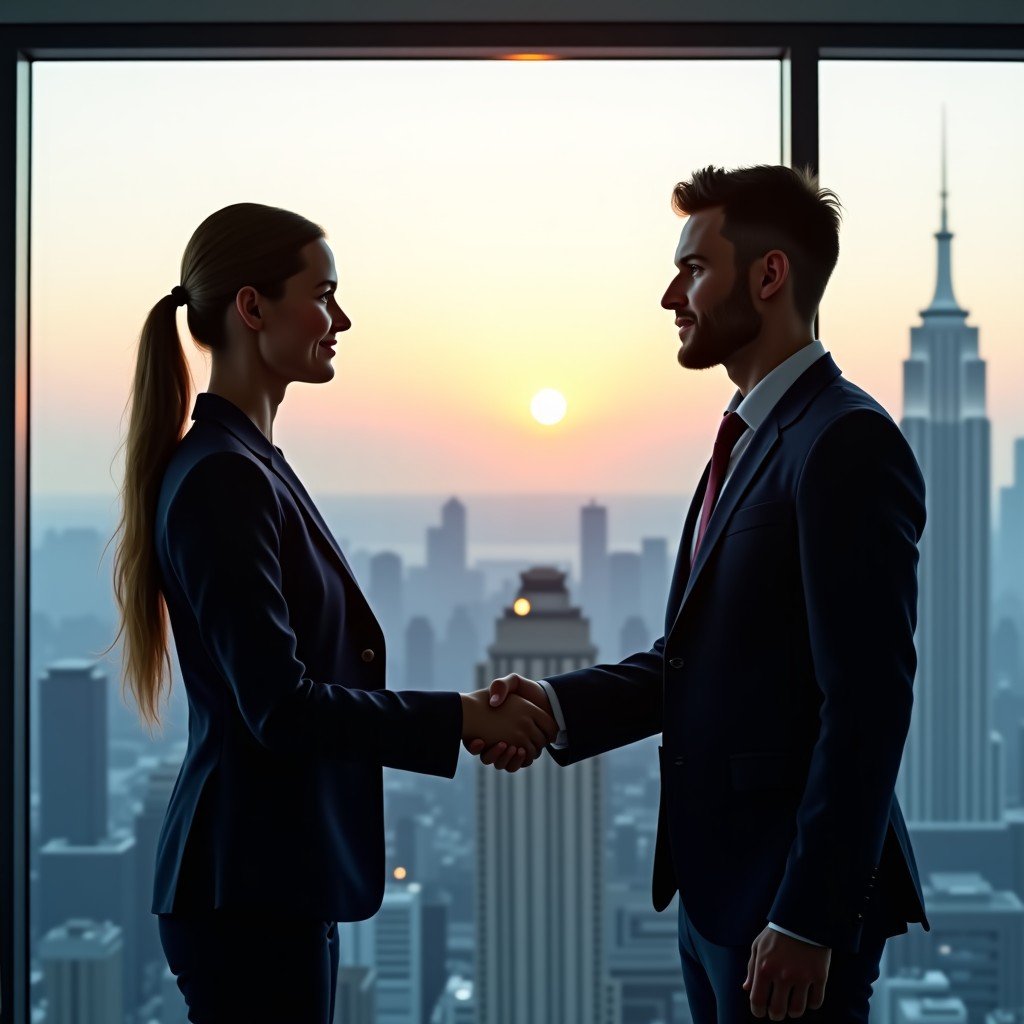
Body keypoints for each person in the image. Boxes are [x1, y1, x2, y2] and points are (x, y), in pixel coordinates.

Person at [470, 165, 932, 1022]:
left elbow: (867, 702)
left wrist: (806, 915)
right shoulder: (751, 438)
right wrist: (553, 704)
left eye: (692, 268)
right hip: (718, 899)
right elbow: (695, 661)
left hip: (786, 910)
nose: (668, 295)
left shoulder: (845, 442)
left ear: (768, 276)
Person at [109, 202, 557, 1024]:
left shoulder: (246, 463)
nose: (342, 318)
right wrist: (456, 717)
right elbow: (281, 705)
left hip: (271, 878)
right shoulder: (223, 476)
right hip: (246, 888)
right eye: (324, 293)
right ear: (253, 308)